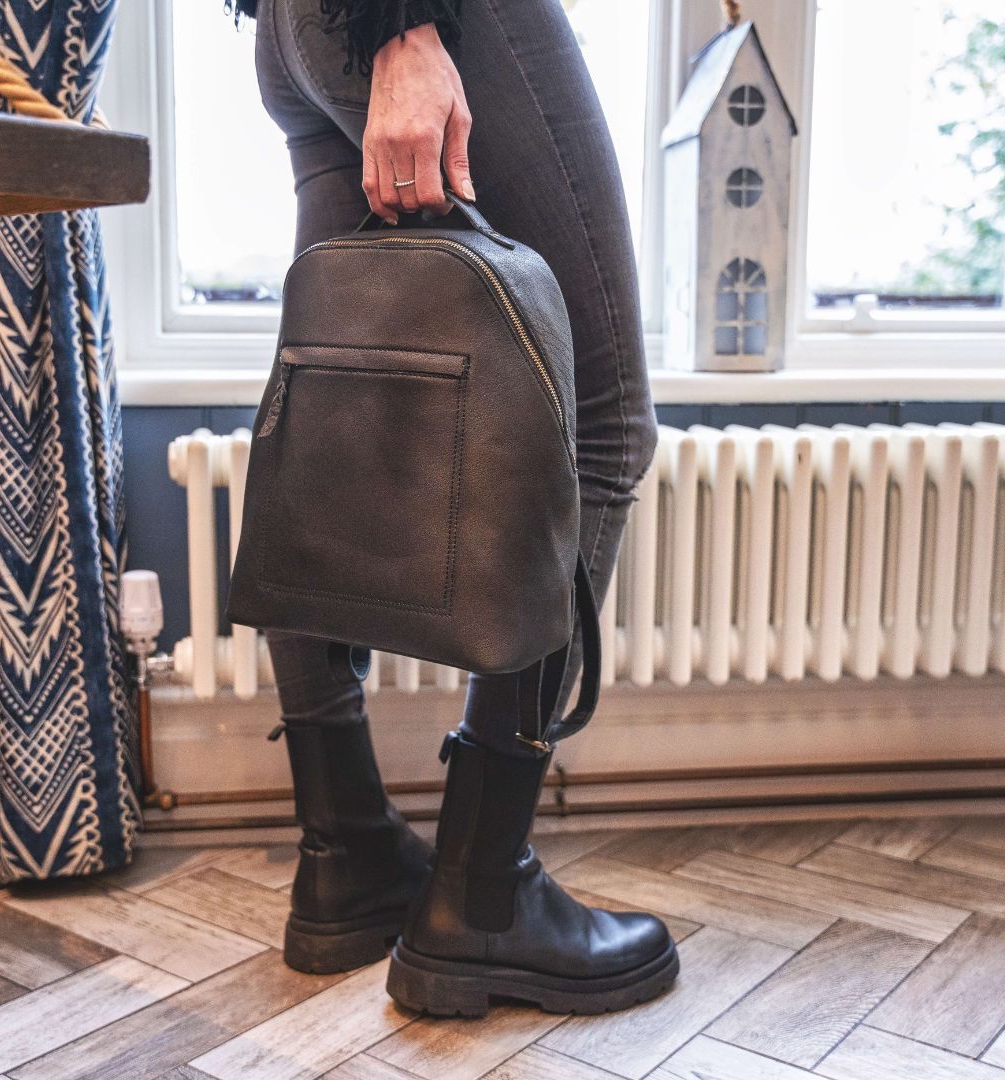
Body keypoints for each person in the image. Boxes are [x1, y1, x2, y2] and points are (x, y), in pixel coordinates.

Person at [230, 0, 678, 1016]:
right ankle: (482, 897)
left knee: (326, 419)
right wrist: (407, 27)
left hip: (294, 25)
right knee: (602, 423)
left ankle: (346, 856)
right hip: (417, 14)